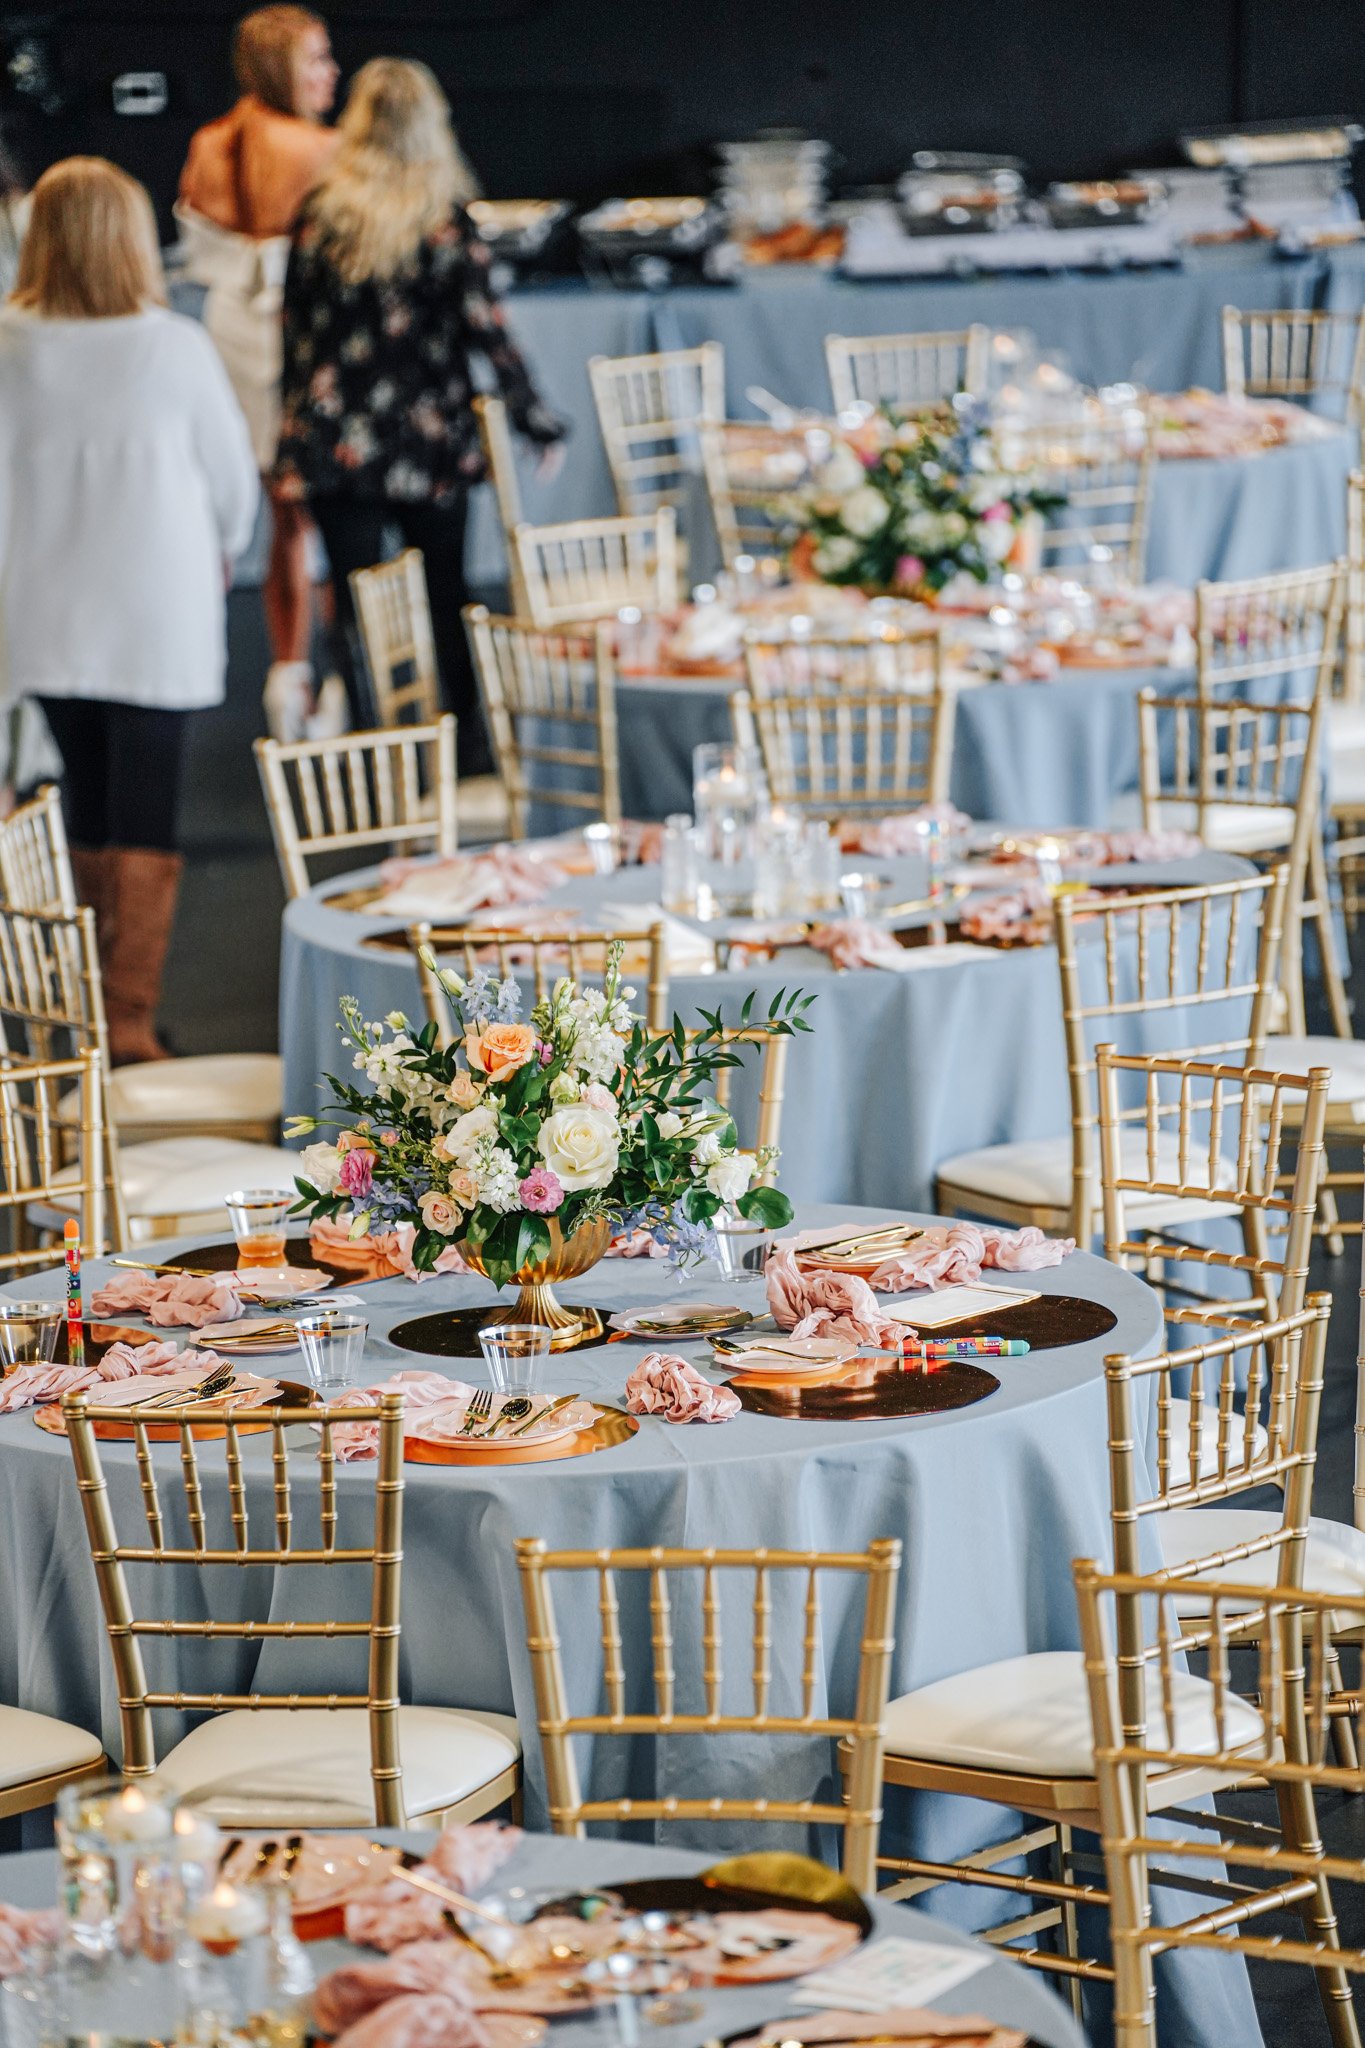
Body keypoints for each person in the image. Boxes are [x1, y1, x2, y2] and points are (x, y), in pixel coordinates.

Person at [0, 158, 258, 1061]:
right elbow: (233, 488)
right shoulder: (173, 346)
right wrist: (223, 547)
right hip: (157, 615)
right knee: (146, 815)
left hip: (46, 614)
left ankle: (86, 1014)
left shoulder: (7, 346)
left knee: (85, 802)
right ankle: (130, 1020)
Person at [273, 57, 564, 771]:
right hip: (425, 440)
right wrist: (533, 418)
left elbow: (295, 335)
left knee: (355, 602)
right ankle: (464, 747)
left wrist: (290, 435)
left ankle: (375, 751)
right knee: (446, 594)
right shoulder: (443, 222)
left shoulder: (319, 216)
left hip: (336, 439)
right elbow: (486, 331)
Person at [178, 4, 340, 741]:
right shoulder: (322, 148)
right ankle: (336, 676)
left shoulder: (207, 144)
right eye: (317, 59)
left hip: (233, 336)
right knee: (326, 511)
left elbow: (198, 255)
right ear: (281, 68)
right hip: (301, 336)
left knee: (277, 513)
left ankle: (286, 671)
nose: (330, 74)